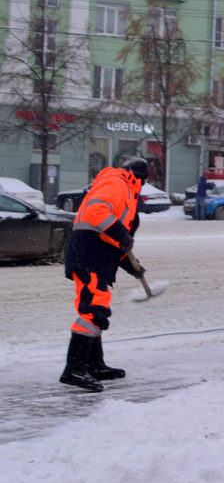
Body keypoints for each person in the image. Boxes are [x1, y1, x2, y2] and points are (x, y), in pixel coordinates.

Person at [59, 156, 149, 392]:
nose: (142, 184)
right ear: (136, 176)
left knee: (97, 309)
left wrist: (133, 266)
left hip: (99, 255)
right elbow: (96, 211)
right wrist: (121, 234)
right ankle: (74, 369)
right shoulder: (117, 182)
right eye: (142, 179)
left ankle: (94, 365)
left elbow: (117, 242)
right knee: (93, 309)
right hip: (89, 253)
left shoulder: (128, 197)